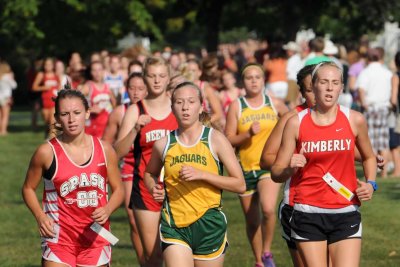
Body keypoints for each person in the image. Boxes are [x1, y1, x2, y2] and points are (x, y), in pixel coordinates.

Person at [271, 61, 377, 267]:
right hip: (307, 212)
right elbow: (275, 172)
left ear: (342, 87)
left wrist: (371, 183)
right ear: (314, 85)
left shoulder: (355, 120)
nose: (329, 88)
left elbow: (369, 156)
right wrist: (289, 168)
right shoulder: (296, 122)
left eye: (335, 83)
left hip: (345, 210)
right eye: (324, 82)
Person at [143, 81, 245, 267]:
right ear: (172, 108)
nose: (185, 107)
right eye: (179, 102)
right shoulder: (163, 143)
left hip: (209, 223)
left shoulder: (215, 139)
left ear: (201, 107)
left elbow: (239, 184)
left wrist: (202, 174)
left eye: (191, 101)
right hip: (174, 225)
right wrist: (153, 188)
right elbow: (149, 173)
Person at [22, 86, 124, 267]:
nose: (71, 119)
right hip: (59, 238)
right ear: (57, 118)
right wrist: (40, 216)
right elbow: (28, 188)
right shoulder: (47, 152)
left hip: (96, 238)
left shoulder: (105, 150)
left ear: (87, 113)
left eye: (77, 112)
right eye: (65, 114)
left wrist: (108, 209)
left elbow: (119, 190)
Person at [115, 56, 178, 267]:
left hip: (180, 188)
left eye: (161, 76)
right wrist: (135, 130)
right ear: (144, 78)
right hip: (145, 189)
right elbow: (117, 153)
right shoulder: (135, 110)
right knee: (153, 257)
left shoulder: (179, 106)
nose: (157, 81)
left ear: (169, 78)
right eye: (151, 76)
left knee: (179, 253)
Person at [224, 63, 288, 267]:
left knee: (268, 209)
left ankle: (267, 251)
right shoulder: (237, 106)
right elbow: (227, 140)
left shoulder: (274, 103)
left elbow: (294, 124)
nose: (253, 81)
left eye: (257, 77)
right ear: (243, 82)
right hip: (244, 169)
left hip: (267, 167)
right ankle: (258, 259)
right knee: (252, 221)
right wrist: (247, 134)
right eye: (249, 77)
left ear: (263, 80)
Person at [102, 72, 147, 265]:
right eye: (132, 88)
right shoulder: (120, 112)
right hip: (128, 166)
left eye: (140, 88)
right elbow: (106, 143)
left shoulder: (158, 110)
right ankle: (144, 262)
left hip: (153, 167)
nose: (136, 92)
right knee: (133, 218)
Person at [81, 61, 116, 139]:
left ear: (103, 71)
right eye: (94, 70)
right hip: (92, 128)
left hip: (106, 127)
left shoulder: (107, 87)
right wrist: (89, 109)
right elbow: (75, 103)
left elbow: (114, 105)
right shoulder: (88, 86)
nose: (97, 73)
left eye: (99, 70)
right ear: (91, 72)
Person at [32, 57, 60, 137]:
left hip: (54, 102)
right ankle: (48, 134)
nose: (48, 66)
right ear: (44, 66)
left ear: (53, 65)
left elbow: (59, 87)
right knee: (47, 122)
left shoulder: (56, 75)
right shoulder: (41, 75)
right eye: (46, 64)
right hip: (44, 102)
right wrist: (44, 87)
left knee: (52, 121)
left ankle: (53, 140)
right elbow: (34, 87)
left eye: (50, 64)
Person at [0, 60, 17, 136]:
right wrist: (12, 78)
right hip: (6, 97)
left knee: (0, 115)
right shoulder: (7, 76)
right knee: (5, 115)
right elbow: (14, 86)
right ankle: (3, 131)